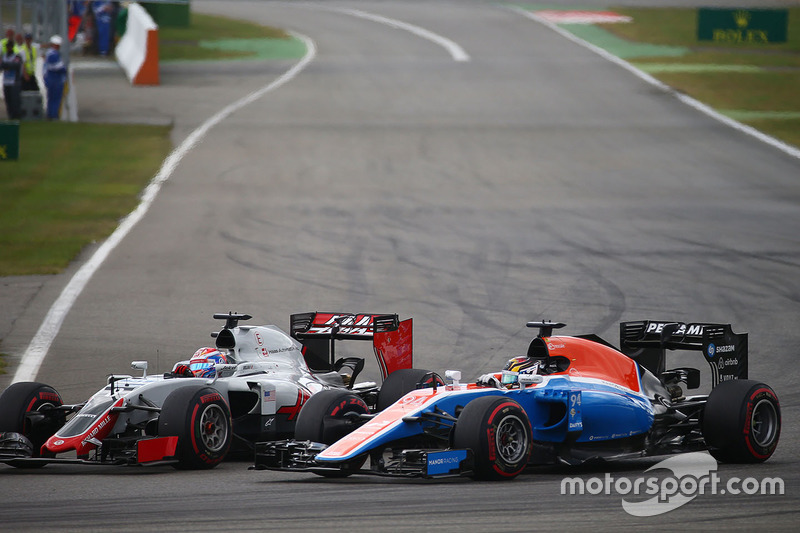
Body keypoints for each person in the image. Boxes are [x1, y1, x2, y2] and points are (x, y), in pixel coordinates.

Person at [43, 35, 67, 120]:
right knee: (55, 98)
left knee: (51, 98)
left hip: (51, 78)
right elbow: (58, 67)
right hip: (55, 79)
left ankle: (50, 114)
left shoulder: (50, 53)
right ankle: (53, 115)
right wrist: (64, 69)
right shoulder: (53, 54)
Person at [1, 37, 23, 119]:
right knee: (8, 100)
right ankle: (10, 115)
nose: (8, 48)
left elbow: (15, 65)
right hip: (6, 82)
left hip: (14, 82)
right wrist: (6, 65)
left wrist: (6, 65)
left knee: (15, 101)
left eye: (9, 46)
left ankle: (16, 116)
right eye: (7, 46)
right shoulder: (4, 56)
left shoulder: (16, 56)